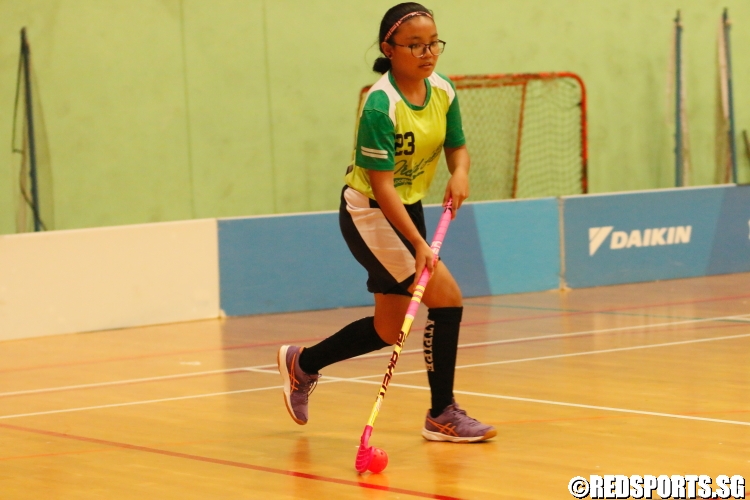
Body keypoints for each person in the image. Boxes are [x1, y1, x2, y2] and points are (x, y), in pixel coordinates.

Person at [277, 2, 496, 443]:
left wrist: (461, 171)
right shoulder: (381, 106)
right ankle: (442, 414)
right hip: (371, 212)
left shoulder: (443, 91)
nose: (427, 52)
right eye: (414, 45)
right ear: (388, 49)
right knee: (448, 298)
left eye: (433, 42)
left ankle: (303, 364)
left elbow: (457, 146)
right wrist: (418, 242)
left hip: (405, 208)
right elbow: (381, 187)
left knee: (387, 328)